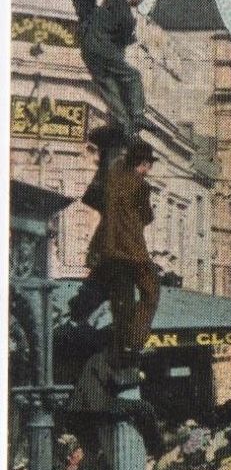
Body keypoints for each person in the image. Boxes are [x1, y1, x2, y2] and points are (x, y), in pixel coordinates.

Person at [83, 139, 160, 365]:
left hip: (104, 249)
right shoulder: (141, 186)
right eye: (148, 166)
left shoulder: (111, 174)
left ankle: (112, 339)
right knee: (151, 290)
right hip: (130, 251)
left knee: (119, 298)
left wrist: (111, 212)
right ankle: (132, 343)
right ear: (143, 164)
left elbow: (89, 198)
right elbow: (147, 217)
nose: (147, 171)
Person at [81, 0, 147, 144]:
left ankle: (126, 128)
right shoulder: (127, 16)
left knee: (110, 89)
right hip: (103, 49)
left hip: (88, 51)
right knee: (133, 76)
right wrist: (130, 38)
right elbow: (123, 41)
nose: (139, 3)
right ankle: (136, 115)